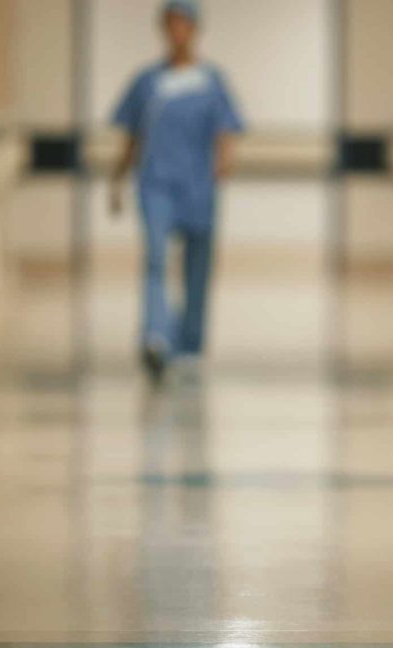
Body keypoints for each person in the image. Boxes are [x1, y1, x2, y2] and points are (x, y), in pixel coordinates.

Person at [109, 0, 244, 382]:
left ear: (195, 29)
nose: (177, 32)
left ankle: (190, 344)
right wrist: (117, 180)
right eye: (171, 24)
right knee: (155, 258)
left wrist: (223, 162)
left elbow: (226, 130)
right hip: (155, 184)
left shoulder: (211, 81)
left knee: (197, 268)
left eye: (184, 24)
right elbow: (132, 137)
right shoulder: (147, 82)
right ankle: (156, 337)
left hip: (198, 186)